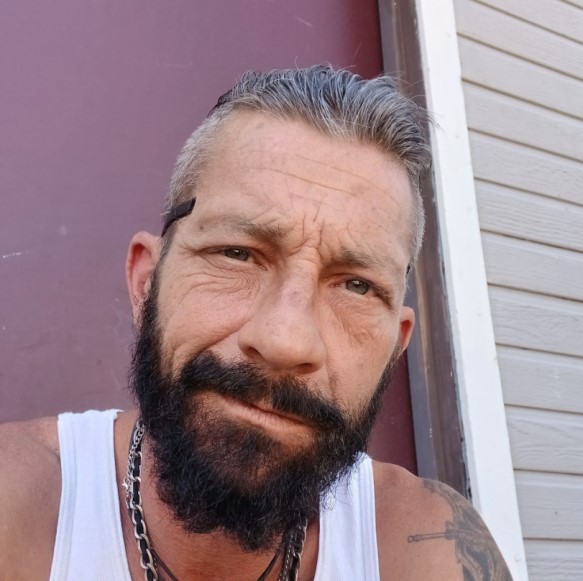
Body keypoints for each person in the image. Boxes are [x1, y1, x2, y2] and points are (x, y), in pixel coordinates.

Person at [0, 65, 512, 581]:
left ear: (394, 349)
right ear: (146, 283)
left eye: (356, 286)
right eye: (237, 254)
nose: (286, 341)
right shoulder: (15, 505)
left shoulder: (429, 550)